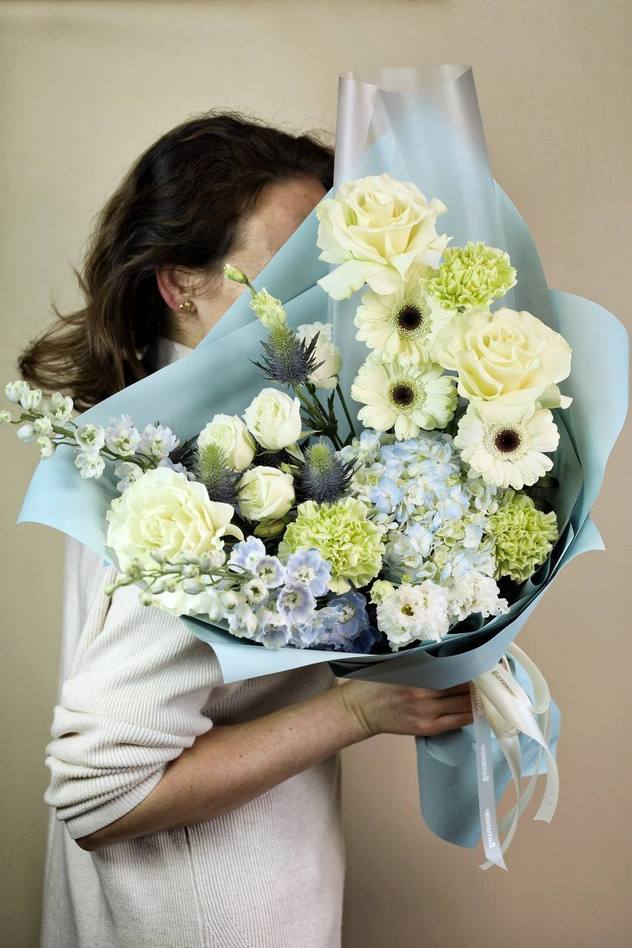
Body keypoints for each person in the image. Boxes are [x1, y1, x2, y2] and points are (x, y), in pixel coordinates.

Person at [20, 112, 474, 948]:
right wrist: (361, 711)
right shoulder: (208, 471)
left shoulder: (138, 427)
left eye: (330, 264)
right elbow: (100, 790)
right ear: (180, 284)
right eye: (290, 268)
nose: (326, 296)